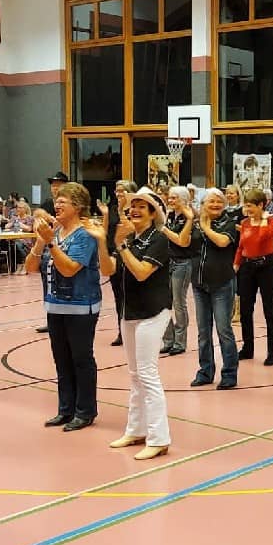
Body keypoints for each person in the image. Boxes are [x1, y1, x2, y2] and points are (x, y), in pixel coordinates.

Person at [90, 187, 172, 460]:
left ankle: (159, 438)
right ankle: (136, 429)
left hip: (153, 312)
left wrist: (121, 244)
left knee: (148, 375)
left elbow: (141, 273)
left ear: (152, 213)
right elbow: (108, 270)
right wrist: (104, 242)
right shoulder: (130, 239)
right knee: (135, 376)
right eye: (132, 205)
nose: (134, 209)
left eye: (141, 206)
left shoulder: (158, 239)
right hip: (130, 312)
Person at [26, 182, 101, 431]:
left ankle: (85, 411)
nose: (56, 205)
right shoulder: (55, 233)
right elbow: (30, 267)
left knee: (81, 359)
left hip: (81, 306)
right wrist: (41, 241)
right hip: (55, 306)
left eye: (63, 201)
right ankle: (65, 409)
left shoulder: (86, 234)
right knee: (61, 360)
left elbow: (69, 269)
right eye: (56, 201)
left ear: (78, 206)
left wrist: (50, 245)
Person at [188, 188, 240, 390]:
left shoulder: (227, 222)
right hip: (199, 284)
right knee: (203, 331)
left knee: (224, 330)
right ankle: (205, 371)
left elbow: (222, 241)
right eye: (211, 202)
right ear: (203, 205)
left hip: (222, 284)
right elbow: (185, 244)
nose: (216, 205)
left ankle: (229, 374)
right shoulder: (194, 224)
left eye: (219, 201)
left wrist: (205, 226)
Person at [235, 188, 273, 365]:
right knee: (246, 309)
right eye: (246, 206)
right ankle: (248, 348)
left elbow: (262, 237)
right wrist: (236, 265)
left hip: (266, 267)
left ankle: (272, 352)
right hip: (247, 266)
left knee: (269, 309)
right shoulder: (245, 223)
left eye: (251, 206)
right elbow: (241, 246)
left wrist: (262, 220)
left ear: (261, 205)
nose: (247, 209)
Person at [159, 186, 195, 356]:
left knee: (178, 303)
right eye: (170, 198)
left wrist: (164, 229)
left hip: (182, 263)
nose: (171, 201)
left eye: (175, 198)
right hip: (168, 262)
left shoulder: (189, 217)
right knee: (164, 302)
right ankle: (168, 340)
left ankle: (180, 342)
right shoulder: (171, 215)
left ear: (184, 199)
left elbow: (182, 241)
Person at [100, 180, 136, 346]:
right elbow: (105, 232)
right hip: (114, 255)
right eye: (117, 190)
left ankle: (134, 331)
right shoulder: (112, 209)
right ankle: (122, 331)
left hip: (131, 254)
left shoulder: (136, 209)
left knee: (132, 295)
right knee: (118, 296)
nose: (119, 193)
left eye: (123, 191)